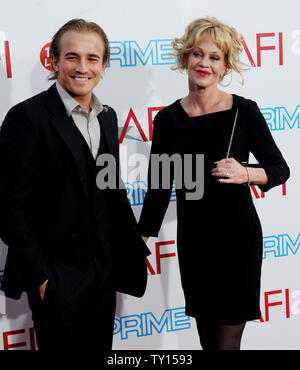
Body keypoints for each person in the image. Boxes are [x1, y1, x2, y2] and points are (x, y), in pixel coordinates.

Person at [138, 17, 290, 350]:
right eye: (197, 54)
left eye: (214, 57)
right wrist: (141, 237)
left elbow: (280, 169)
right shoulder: (167, 119)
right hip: (195, 242)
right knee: (206, 337)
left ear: (225, 66)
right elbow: (160, 186)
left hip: (237, 240)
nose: (204, 63)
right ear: (185, 59)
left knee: (227, 341)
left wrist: (246, 172)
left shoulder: (243, 111)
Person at [0, 19, 150, 351]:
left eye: (92, 58)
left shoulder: (108, 116)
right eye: (72, 57)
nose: (82, 67)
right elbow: (9, 206)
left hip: (103, 274)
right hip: (56, 276)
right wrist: (40, 275)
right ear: (53, 61)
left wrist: (134, 238)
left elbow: (110, 190)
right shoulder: (27, 117)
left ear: (104, 65)